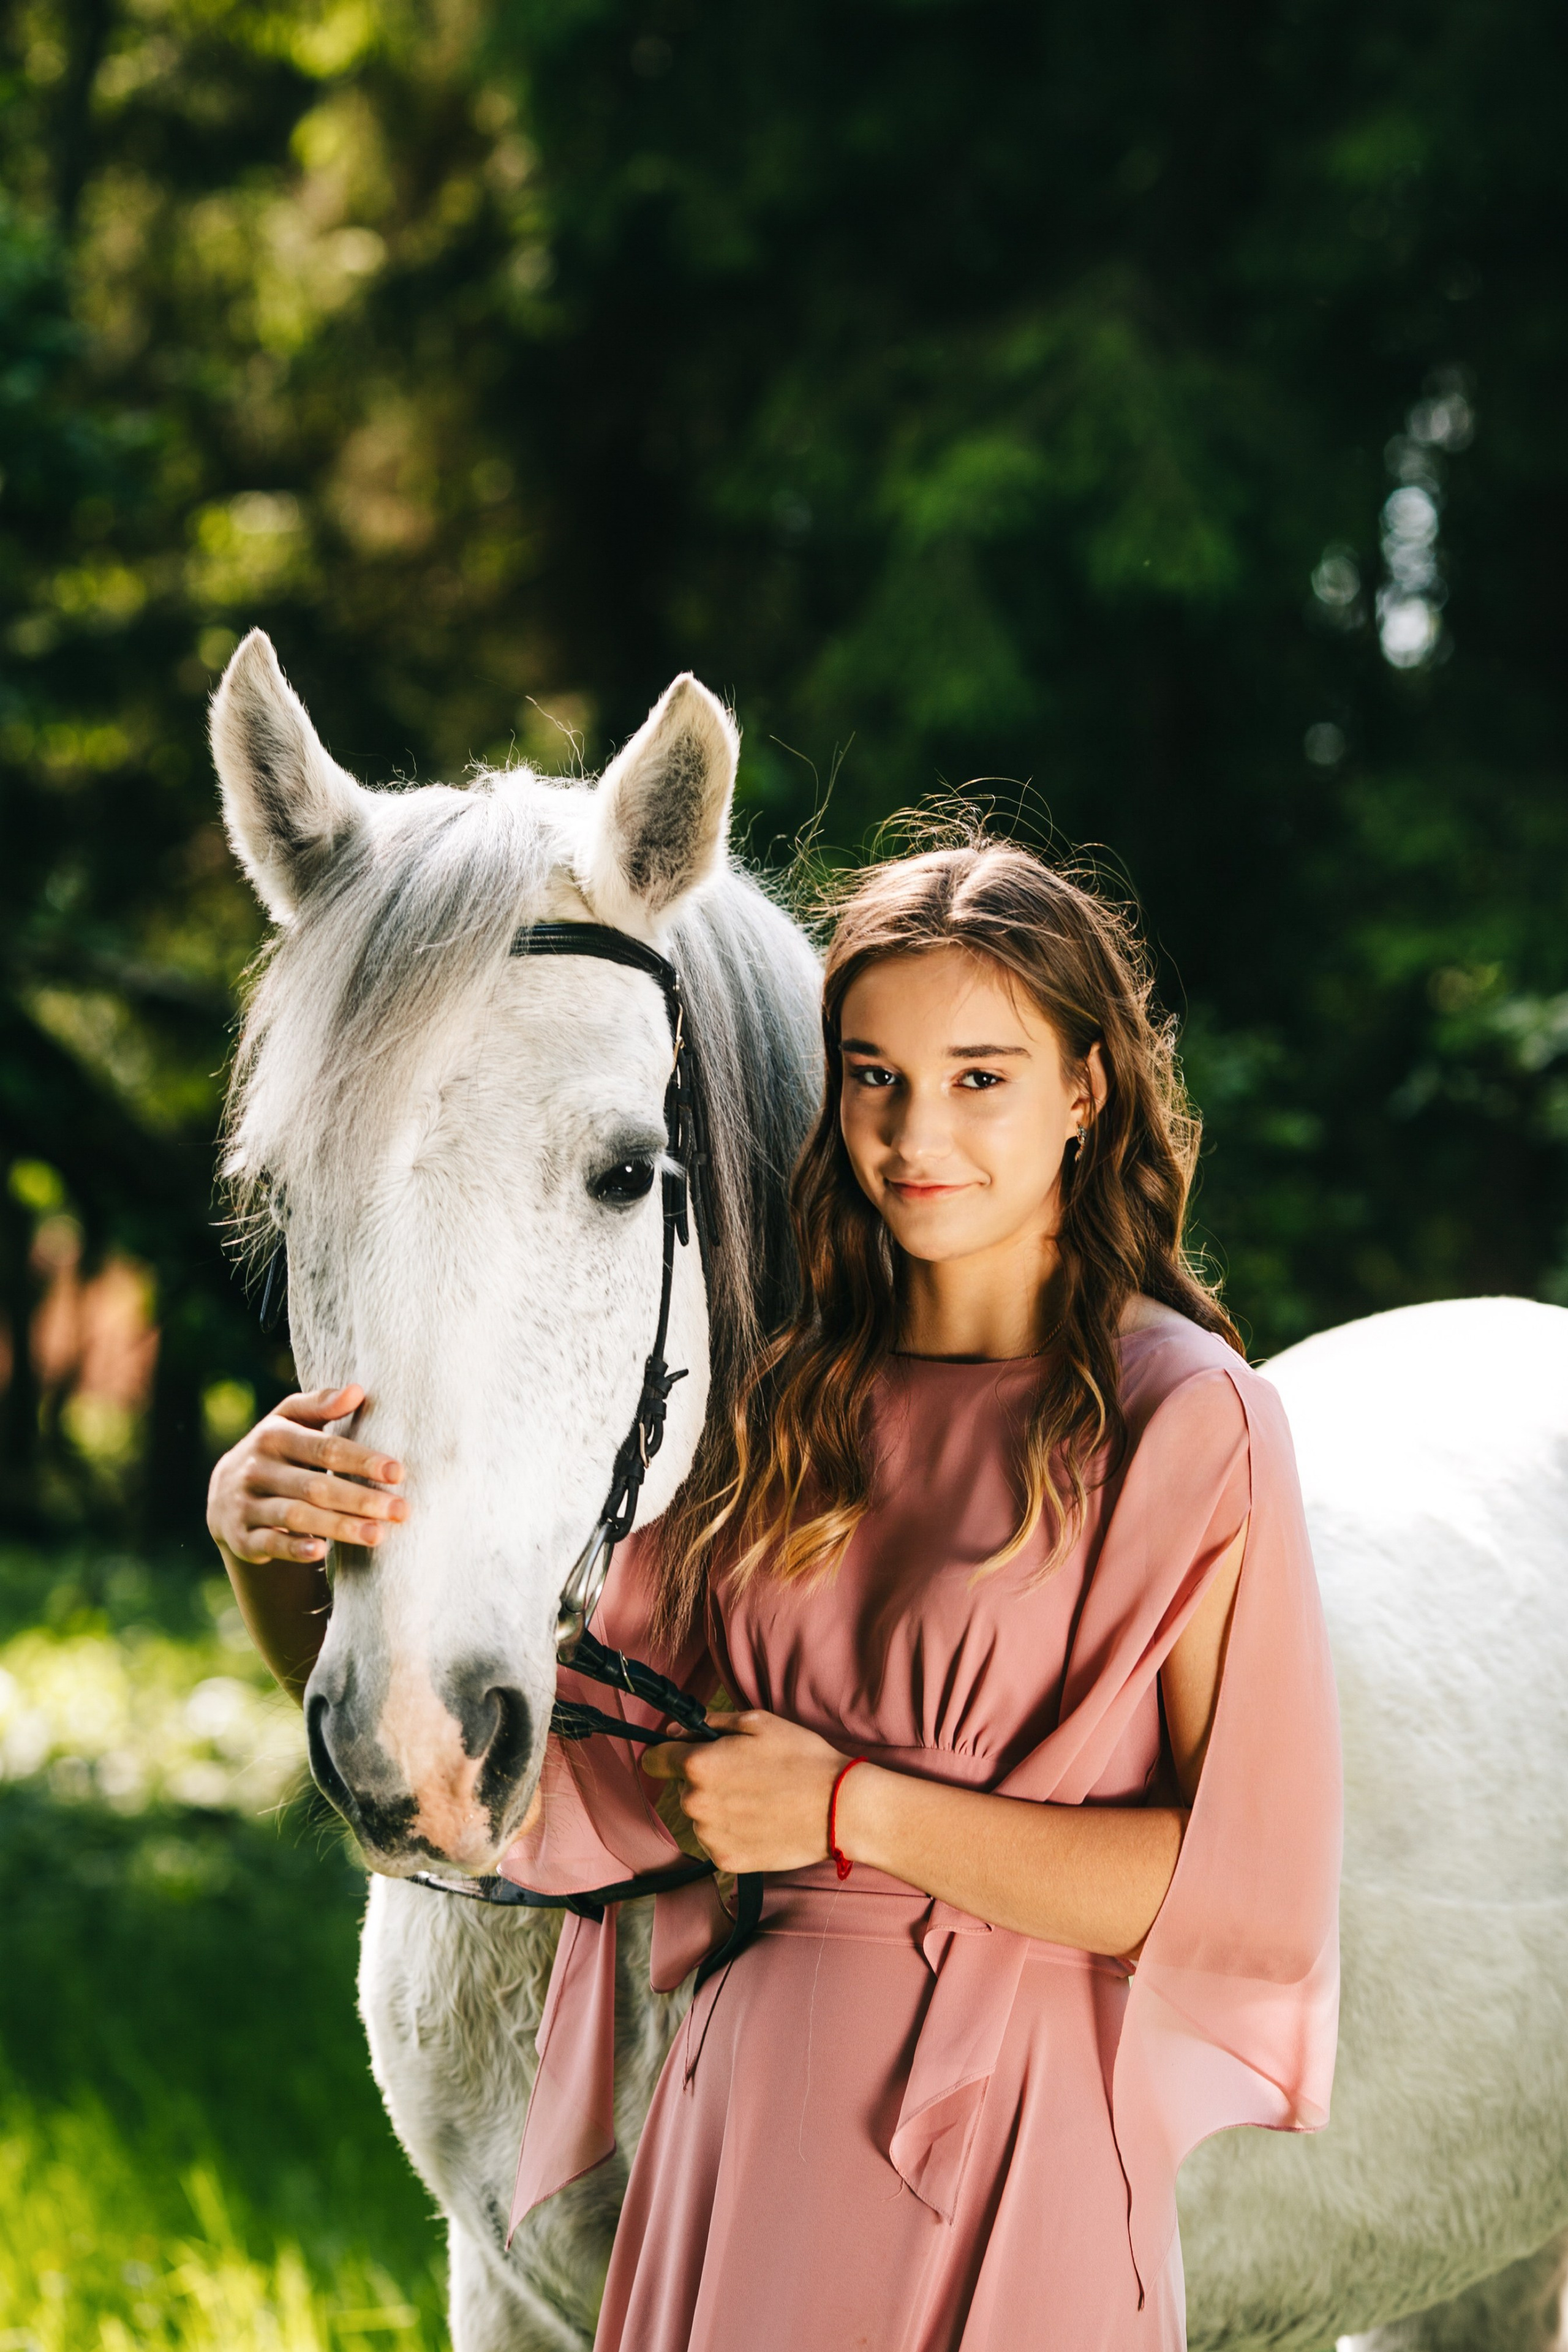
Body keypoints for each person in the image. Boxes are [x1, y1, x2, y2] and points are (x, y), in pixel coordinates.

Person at [208, 837, 1341, 2352]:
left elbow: (1244, 1901)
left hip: (1019, 2139)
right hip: (738, 2136)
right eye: (872, 1076)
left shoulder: (1185, 1420)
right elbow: (509, 1807)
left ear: (1085, 1090)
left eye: (980, 1078)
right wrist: (268, 1547)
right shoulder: (775, 1423)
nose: (915, 1133)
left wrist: (847, 1811)